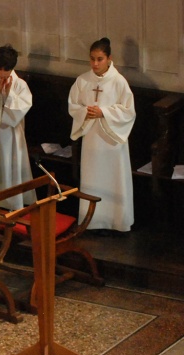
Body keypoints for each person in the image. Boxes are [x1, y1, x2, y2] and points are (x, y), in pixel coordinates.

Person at [69, 37, 135, 234]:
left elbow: (129, 111)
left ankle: (116, 221)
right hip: (92, 139)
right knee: (92, 179)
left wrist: (104, 112)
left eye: (100, 59)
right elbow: (73, 106)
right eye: (92, 59)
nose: (95, 64)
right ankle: (92, 221)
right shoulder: (82, 80)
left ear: (109, 59)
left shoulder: (119, 81)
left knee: (113, 180)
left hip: (112, 142)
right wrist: (85, 112)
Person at [0, 45, 35, 210]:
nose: (2, 73)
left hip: (13, 133)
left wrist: (10, 95)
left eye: (6, 70)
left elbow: (21, 109)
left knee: (13, 165)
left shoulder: (20, 84)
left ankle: (13, 203)